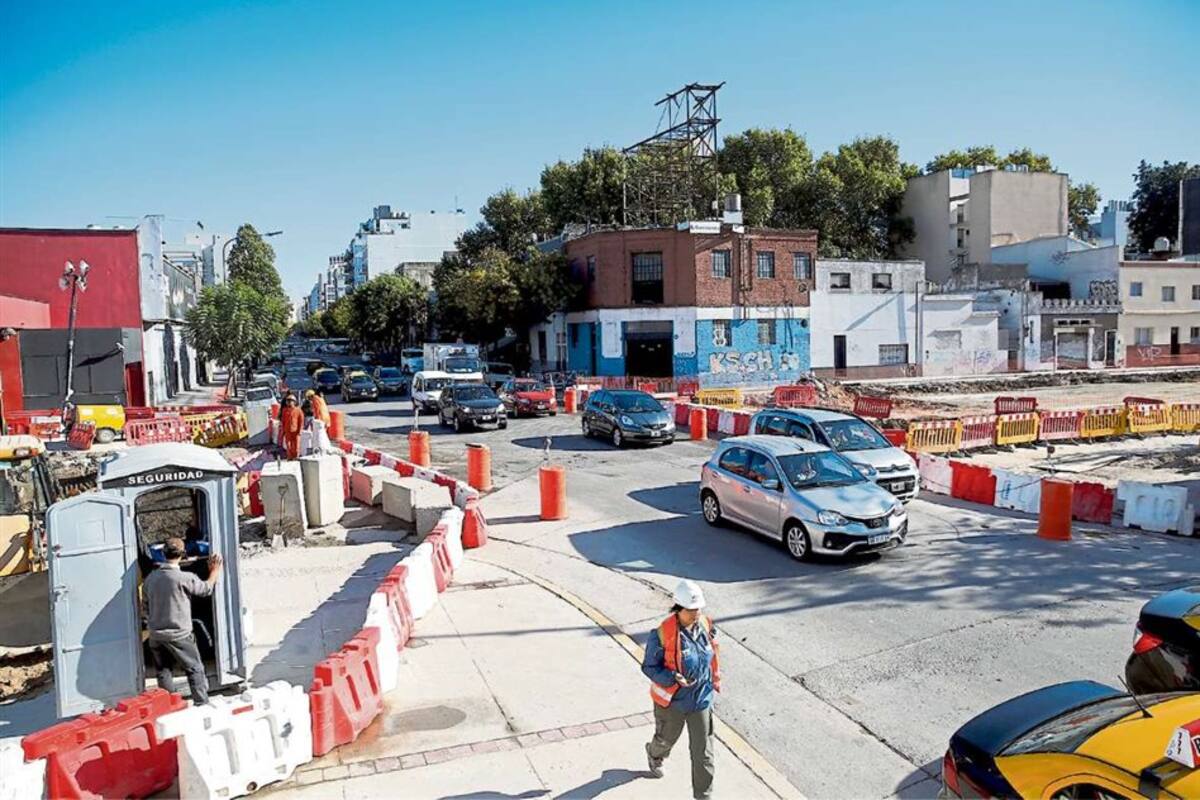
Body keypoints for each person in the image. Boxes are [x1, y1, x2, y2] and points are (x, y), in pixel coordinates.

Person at [642, 579, 721, 799]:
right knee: (665, 741)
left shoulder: (705, 625)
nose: (696, 614)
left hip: (701, 700)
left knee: (703, 754)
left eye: (698, 609)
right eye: (691, 610)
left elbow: (711, 652)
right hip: (673, 703)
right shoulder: (661, 635)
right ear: (678, 608)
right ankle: (654, 753)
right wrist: (672, 677)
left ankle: (703, 796)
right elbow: (649, 667)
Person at [144, 537, 223, 704]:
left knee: (163, 671)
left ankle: (168, 704)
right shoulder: (184, 578)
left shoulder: (151, 579)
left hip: (156, 634)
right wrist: (214, 571)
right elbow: (206, 589)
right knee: (195, 668)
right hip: (179, 634)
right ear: (183, 554)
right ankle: (202, 703)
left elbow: (145, 604)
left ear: (163, 553)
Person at [280, 393, 304, 459]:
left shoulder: (298, 410)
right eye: (288, 401)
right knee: (289, 446)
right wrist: (283, 431)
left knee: (296, 446)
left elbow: (301, 421)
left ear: (294, 402)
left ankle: (296, 457)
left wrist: (300, 430)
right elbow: (283, 421)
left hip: (296, 431)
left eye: (290, 401)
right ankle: (290, 458)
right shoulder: (284, 410)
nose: (289, 402)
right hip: (287, 431)